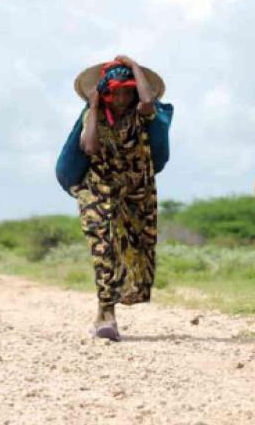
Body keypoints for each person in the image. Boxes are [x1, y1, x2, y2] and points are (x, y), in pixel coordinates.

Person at [76, 55, 161, 341]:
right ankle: (107, 311)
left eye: (128, 90)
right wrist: (95, 105)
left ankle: (108, 307)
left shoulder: (141, 113)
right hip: (98, 190)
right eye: (117, 91)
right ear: (106, 91)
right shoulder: (93, 116)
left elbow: (149, 102)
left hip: (136, 191)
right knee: (103, 246)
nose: (123, 97)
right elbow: (89, 147)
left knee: (135, 246)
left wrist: (136, 65)